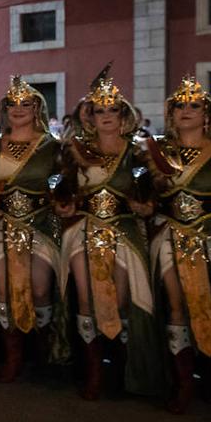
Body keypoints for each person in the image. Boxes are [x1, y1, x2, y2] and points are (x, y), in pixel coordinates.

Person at [56, 68, 161, 401]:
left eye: (112, 109)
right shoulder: (73, 151)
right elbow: (59, 186)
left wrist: (145, 205)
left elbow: (152, 195)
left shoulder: (139, 152)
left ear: (123, 114)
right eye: (98, 110)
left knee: (119, 301)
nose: (105, 116)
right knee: (86, 299)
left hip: (124, 231)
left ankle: (122, 367)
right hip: (83, 230)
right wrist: (62, 203)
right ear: (89, 115)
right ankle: (94, 373)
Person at [144, 76, 211, 413]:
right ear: (171, 115)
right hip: (170, 237)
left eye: (194, 105)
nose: (186, 110)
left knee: (210, 308)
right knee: (176, 306)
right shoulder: (158, 154)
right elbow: (152, 202)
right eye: (179, 106)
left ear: (207, 115)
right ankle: (184, 381)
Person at [0, 77, 65, 382]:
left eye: (26, 104)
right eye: (12, 104)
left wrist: (65, 201)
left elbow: (65, 185)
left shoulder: (54, 147)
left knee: (39, 289)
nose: (19, 109)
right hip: (0, 224)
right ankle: (13, 356)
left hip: (40, 224)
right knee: (3, 288)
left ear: (38, 108)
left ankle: (42, 351)